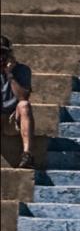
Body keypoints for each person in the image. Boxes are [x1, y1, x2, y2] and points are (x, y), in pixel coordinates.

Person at [1, 36, 35, 169]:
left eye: (3, 52)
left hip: (12, 118)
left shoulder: (22, 70)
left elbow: (23, 97)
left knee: (24, 105)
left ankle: (27, 154)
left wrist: (10, 75)